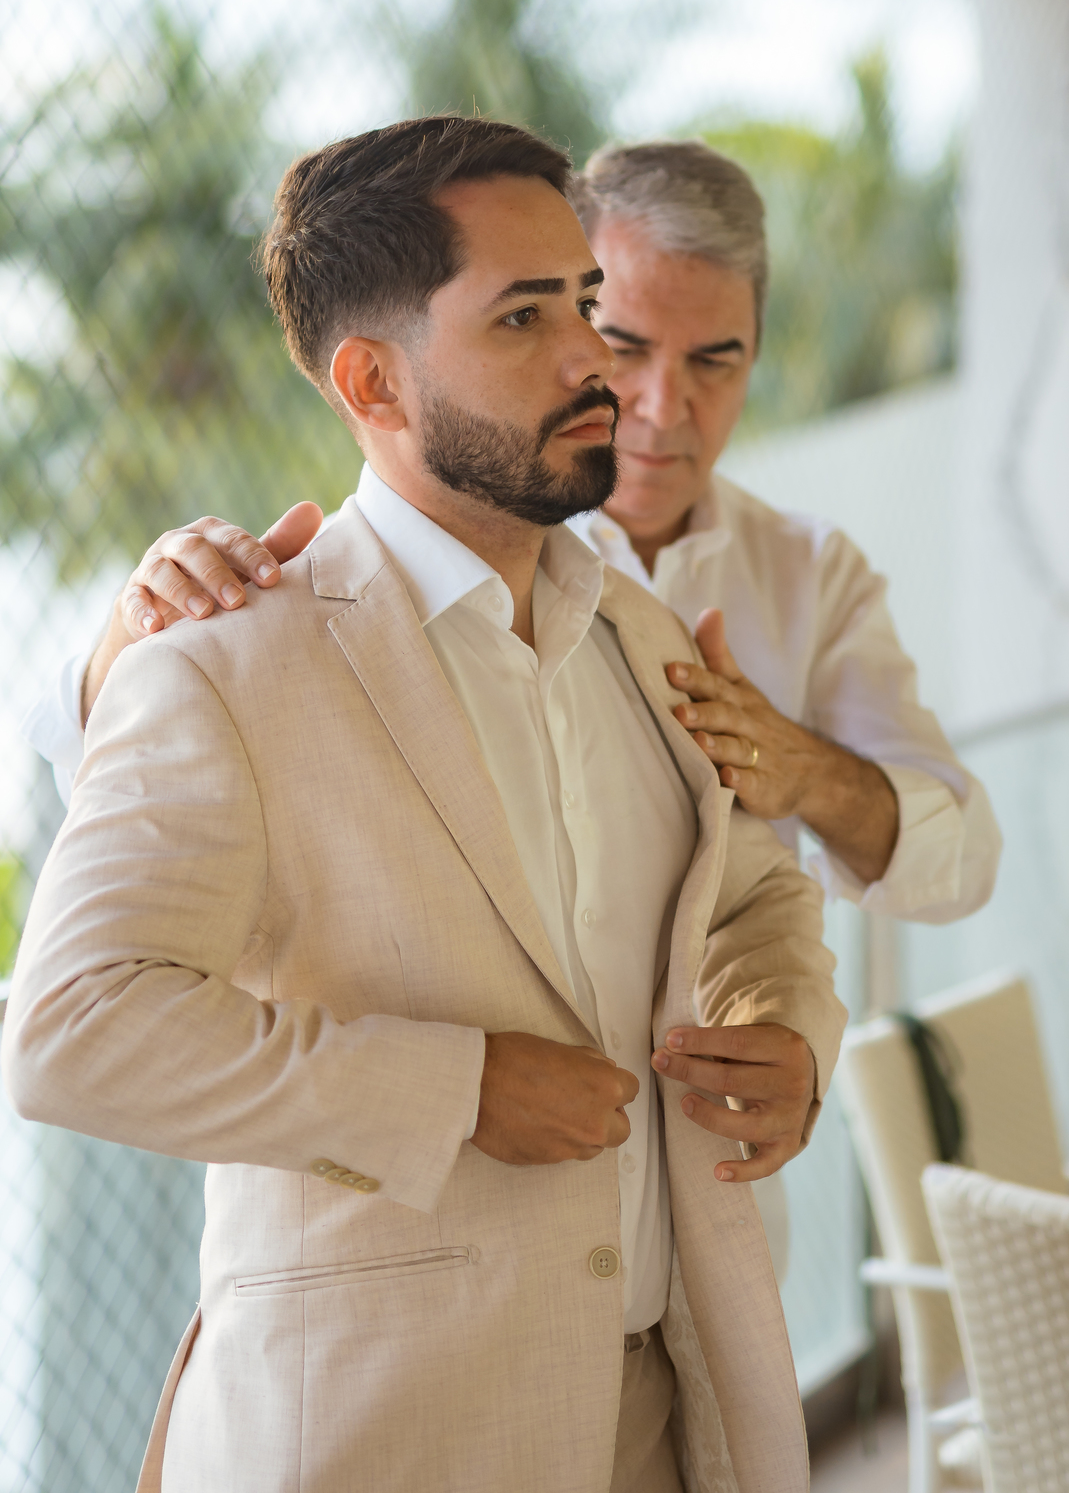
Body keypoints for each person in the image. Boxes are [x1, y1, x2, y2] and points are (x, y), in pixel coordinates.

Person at [2, 116, 846, 1493]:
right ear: (373, 381)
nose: (593, 356)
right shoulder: (221, 664)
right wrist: (456, 1090)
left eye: (584, 300)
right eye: (524, 316)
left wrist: (787, 1028)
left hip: (666, 1413)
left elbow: (753, 888)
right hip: (376, 1437)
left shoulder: (637, 633)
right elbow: (70, 1033)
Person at [27, 141, 999, 926]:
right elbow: (114, 812)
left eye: (715, 360)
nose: (660, 404)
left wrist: (802, 772)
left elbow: (959, 866)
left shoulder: (811, 572)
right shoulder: (390, 568)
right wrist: (129, 643)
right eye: (619, 338)